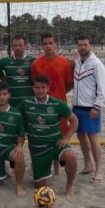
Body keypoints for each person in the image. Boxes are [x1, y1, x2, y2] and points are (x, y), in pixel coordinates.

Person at [20, 75, 79, 196]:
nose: (40, 90)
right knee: (41, 187)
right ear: (33, 88)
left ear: (48, 88)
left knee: (72, 156)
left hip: (55, 144)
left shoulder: (58, 104)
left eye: (43, 87)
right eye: (37, 87)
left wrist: (67, 138)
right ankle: (46, 171)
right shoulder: (25, 104)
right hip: (38, 151)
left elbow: (74, 121)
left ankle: (69, 186)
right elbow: (13, 115)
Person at [31, 32, 74, 175]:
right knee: (41, 135)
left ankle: (57, 167)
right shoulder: (36, 64)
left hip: (59, 106)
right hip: (41, 107)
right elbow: (36, 85)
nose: (48, 46)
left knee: (59, 136)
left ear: (55, 44)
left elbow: (69, 84)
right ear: (41, 46)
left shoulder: (64, 62)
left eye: (51, 43)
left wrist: (59, 96)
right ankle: (42, 165)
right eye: (45, 43)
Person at [72, 35, 105, 184]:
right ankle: (88, 165)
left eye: (85, 45)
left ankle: (98, 171)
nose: (82, 47)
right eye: (80, 45)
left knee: (93, 138)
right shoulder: (77, 63)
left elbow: (103, 87)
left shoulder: (97, 64)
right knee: (81, 136)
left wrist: (97, 106)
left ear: (90, 45)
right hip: (77, 106)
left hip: (90, 108)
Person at [0, 35, 35, 108]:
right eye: (15, 45)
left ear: (25, 46)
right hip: (12, 102)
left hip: (29, 102)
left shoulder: (33, 61)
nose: (18, 48)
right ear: (12, 47)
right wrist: (4, 80)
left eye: (20, 45)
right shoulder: (5, 61)